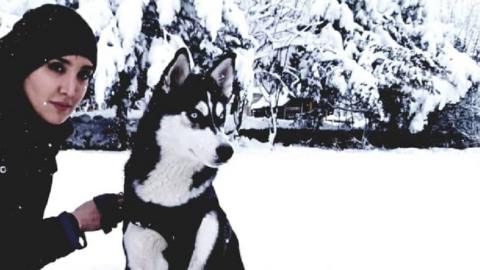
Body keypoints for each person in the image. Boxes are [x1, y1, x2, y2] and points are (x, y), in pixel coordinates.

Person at [0, 4, 123, 269]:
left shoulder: (31, 139)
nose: (71, 89)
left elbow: (12, 246)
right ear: (23, 63)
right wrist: (71, 225)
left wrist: (77, 222)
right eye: (56, 67)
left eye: (84, 75)